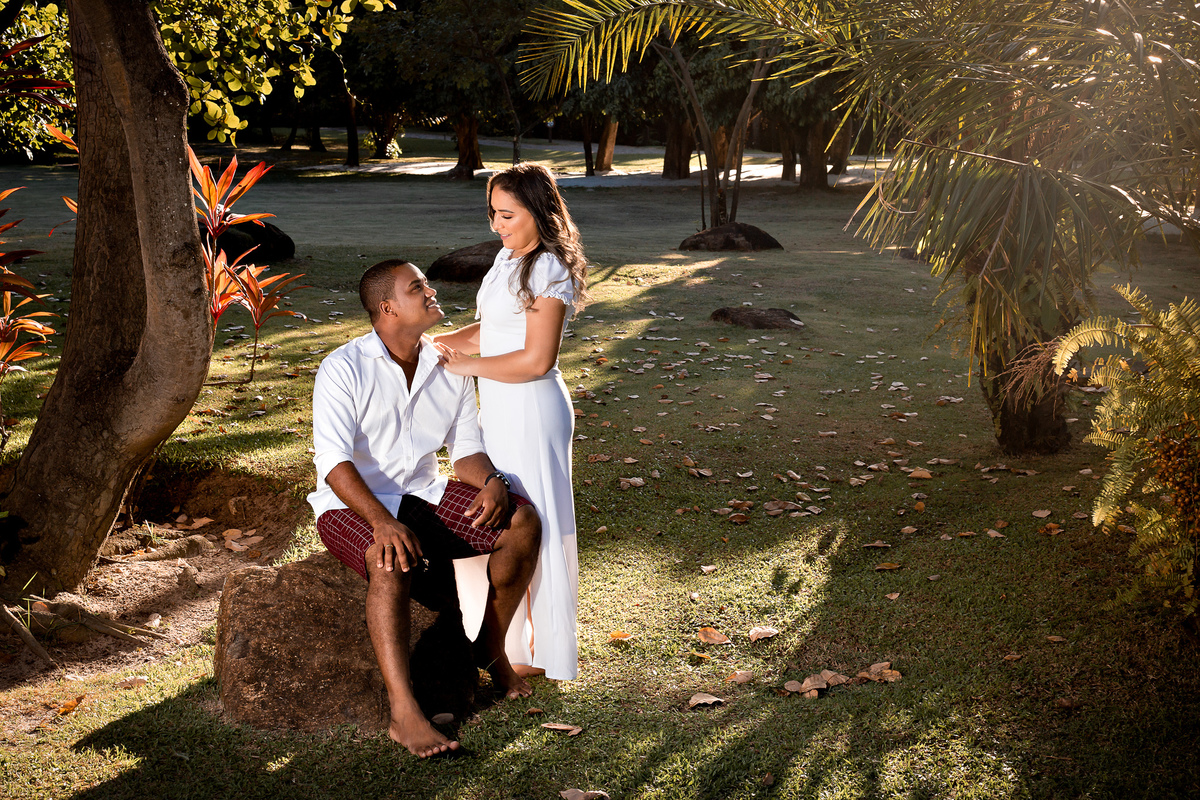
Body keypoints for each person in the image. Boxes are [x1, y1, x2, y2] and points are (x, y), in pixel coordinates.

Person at [308, 259, 541, 759]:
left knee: (521, 522)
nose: (431, 290)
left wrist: (494, 482)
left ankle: (492, 651)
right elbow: (332, 460)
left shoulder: (445, 364)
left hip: (424, 495)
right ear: (388, 307)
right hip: (351, 507)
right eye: (418, 287)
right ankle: (404, 712)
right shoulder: (343, 367)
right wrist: (381, 522)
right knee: (388, 560)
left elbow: (466, 450)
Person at [434, 162, 587, 681]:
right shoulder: (508, 258)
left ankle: (545, 650)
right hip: (499, 406)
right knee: (508, 518)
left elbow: (537, 358)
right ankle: (511, 642)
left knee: (538, 519)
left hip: (533, 408)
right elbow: (490, 331)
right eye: (492, 214)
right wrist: (434, 346)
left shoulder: (549, 267)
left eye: (507, 214)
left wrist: (466, 366)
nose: (497, 226)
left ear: (539, 213)